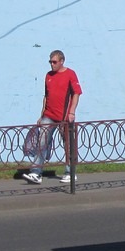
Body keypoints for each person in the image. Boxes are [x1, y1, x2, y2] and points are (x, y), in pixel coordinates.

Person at [23, 50, 82, 184]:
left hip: (64, 117)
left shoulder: (70, 74)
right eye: (50, 61)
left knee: (68, 144)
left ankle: (70, 173)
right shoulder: (48, 75)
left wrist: (71, 112)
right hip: (48, 116)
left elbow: (77, 94)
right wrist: (41, 114)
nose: (52, 64)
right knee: (42, 142)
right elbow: (46, 96)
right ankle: (36, 173)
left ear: (62, 61)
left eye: (54, 62)